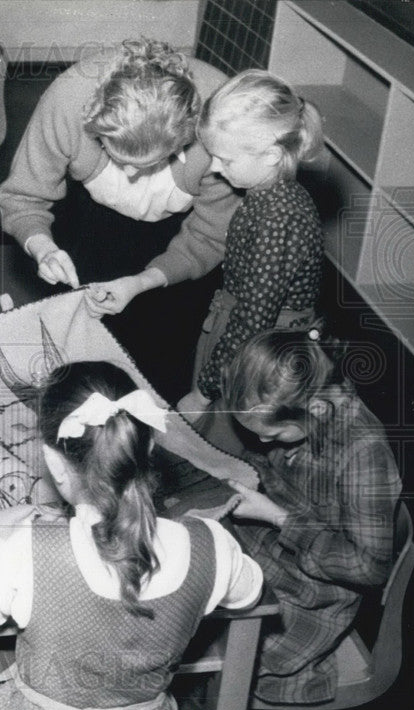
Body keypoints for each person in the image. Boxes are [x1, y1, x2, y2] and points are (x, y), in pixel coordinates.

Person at [0, 361, 263, 710]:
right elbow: (250, 591)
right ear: (149, 446)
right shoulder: (211, 546)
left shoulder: (31, 549)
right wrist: (195, 538)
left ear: (54, 463)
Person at [89, 70, 325, 447]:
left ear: (272, 154)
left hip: (254, 352)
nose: (214, 167)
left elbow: (251, 323)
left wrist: (203, 392)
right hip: (241, 332)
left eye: (224, 159)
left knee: (221, 436)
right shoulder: (269, 195)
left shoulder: (277, 222)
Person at [0, 39, 238, 399]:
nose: (130, 175)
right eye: (117, 158)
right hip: (90, 214)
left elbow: (208, 237)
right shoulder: (66, 100)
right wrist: (43, 248)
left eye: (147, 165)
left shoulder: (222, 128)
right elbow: (23, 196)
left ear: (185, 139)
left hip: (183, 232)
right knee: (82, 349)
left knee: (164, 363)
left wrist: (142, 282)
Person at [222, 329, 402, 705]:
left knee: (208, 645)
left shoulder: (364, 453)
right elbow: (270, 461)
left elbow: (368, 568)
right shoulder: (306, 407)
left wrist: (278, 517)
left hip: (309, 598)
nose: (263, 442)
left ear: (315, 410)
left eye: (273, 434)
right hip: (266, 552)